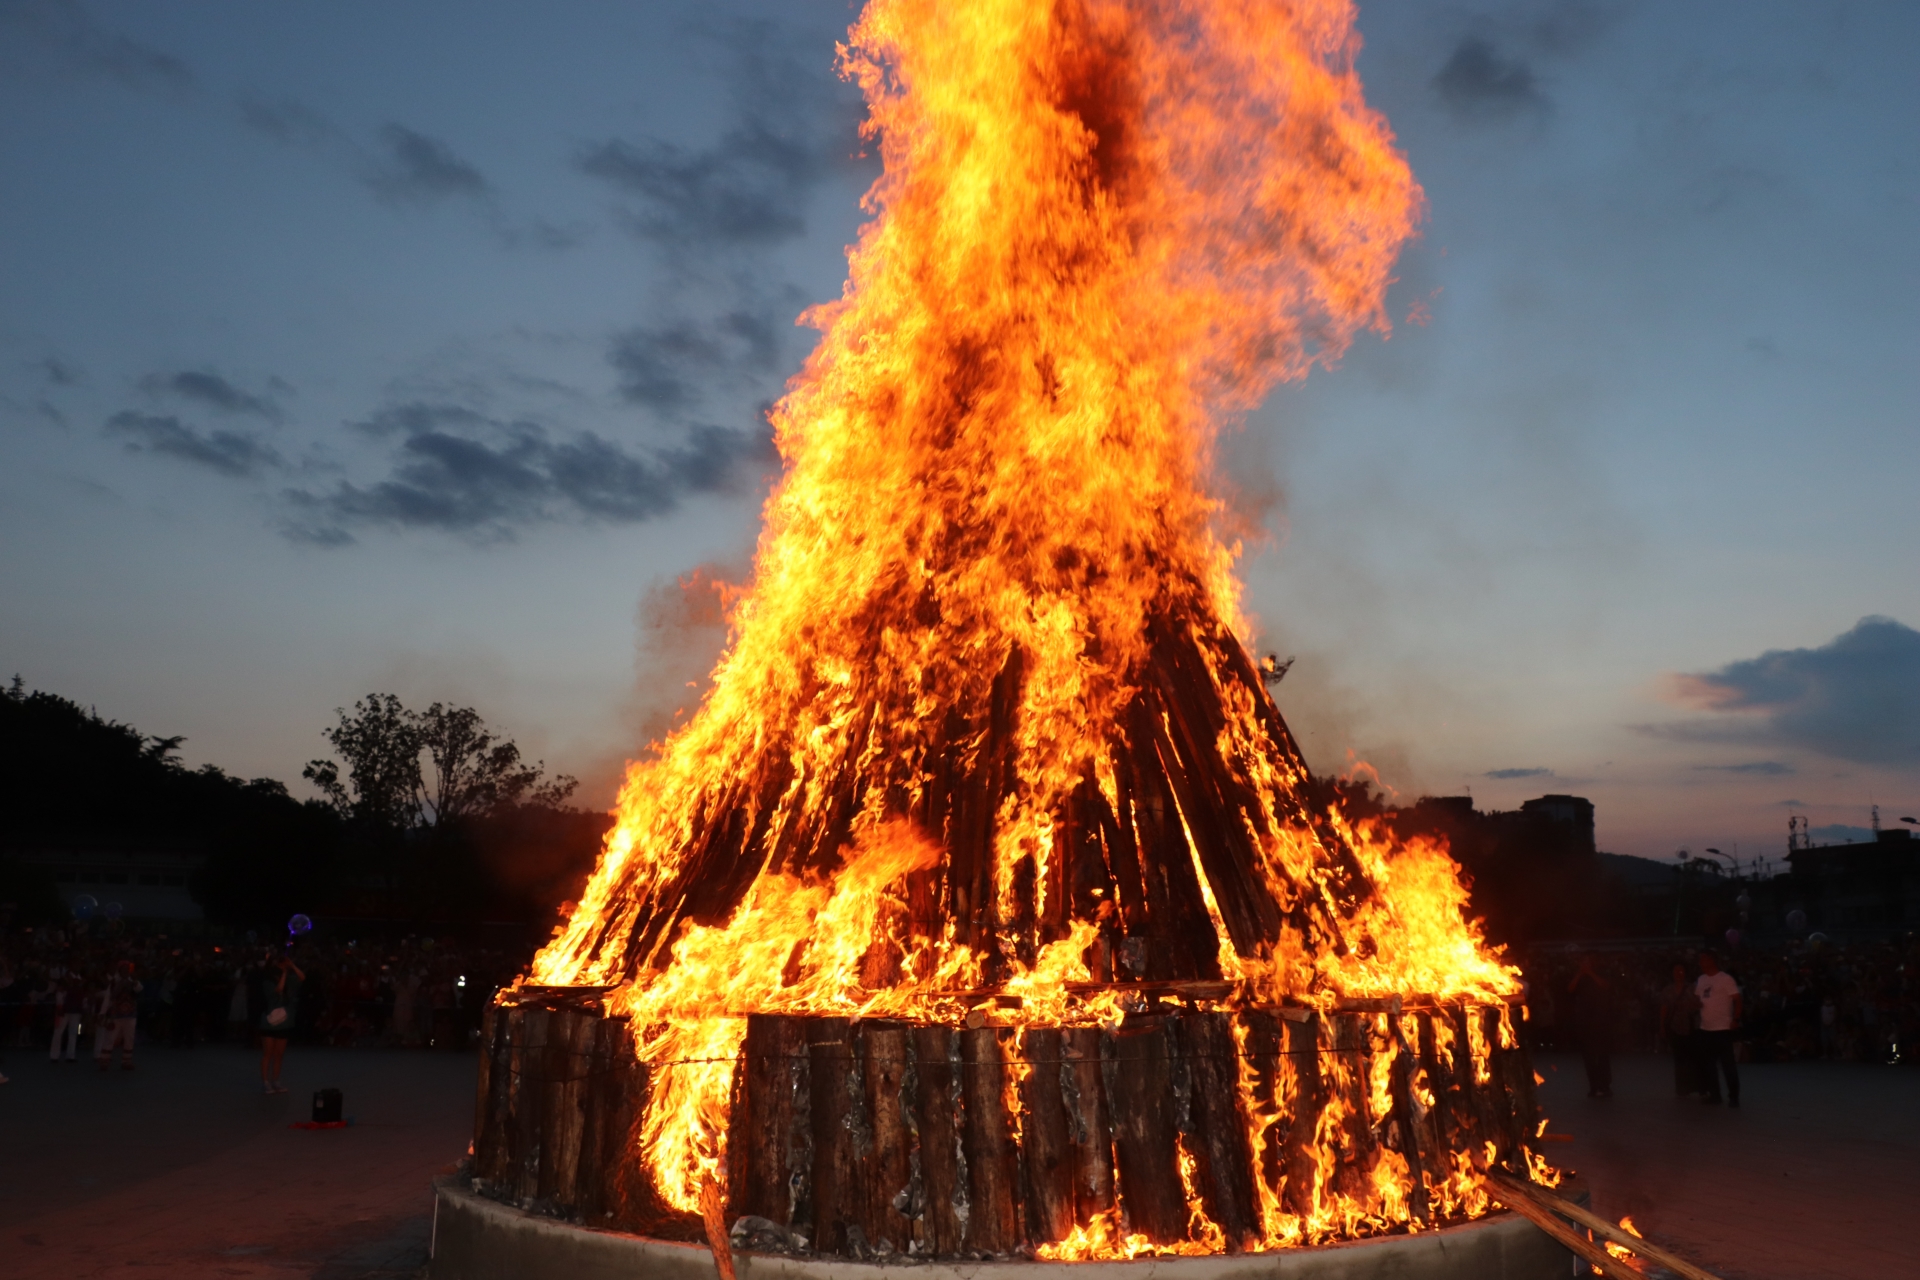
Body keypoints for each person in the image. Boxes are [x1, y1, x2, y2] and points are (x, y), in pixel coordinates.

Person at [1695, 952, 1742, 1106]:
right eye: (1700, 960)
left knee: (1728, 1065)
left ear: (1712, 960)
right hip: (1706, 1028)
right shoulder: (1701, 979)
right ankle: (1715, 1095)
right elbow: (1697, 1000)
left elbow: (1737, 999)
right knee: (1709, 1065)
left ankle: (1733, 1096)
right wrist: (1695, 1005)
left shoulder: (1725, 979)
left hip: (1722, 1028)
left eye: (1704, 959)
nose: (1701, 962)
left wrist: (1735, 1019)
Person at [1567, 956, 1617, 1098]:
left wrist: (1590, 974)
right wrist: (1580, 974)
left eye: (1587, 962)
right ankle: (1593, 1086)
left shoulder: (1601, 973)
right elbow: (1570, 989)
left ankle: (1605, 1085)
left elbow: (1605, 985)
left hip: (1600, 1021)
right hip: (1584, 1021)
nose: (1585, 965)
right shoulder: (1578, 977)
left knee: (1602, 1055)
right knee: (1588, 1056)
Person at [258, 951, 303, 1094]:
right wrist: (283, 974)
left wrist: (291, 965)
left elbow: (302, 978)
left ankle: (276, 1080)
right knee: (268, 1053)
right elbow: (278, 990)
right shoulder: (267, 979)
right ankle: (266, 1082)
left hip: (284, 1021)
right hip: (270, 1021)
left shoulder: (289, 977)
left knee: (279, 1054)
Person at [1658, 961, 1700, 1097]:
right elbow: (1664, 1008)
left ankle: (1693, 1086)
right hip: (1674, 1027)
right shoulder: (1667, 990)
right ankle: (1681, 1087)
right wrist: (1662, 1025)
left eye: (1681, 971)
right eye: (1676, 971)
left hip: (1690, 1026)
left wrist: (1690, 1006)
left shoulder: (1692, 988)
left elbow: (1699, 1005)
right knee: (1678, 1058)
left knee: (1692, 1057)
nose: (1678, 973)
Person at [94, 960, 140, 1070]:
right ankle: (104, 1061)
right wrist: (102, 1013)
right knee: (110, 1038)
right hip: (116, 1014)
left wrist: (135, 981)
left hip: (130, 1014)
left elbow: (139, 989)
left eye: (126, 970)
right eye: (123, 969)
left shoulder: (133, 981)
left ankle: (126, 1062)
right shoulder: (114, 982)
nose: (125, 971)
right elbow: (107, 998)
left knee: (129, 1038)